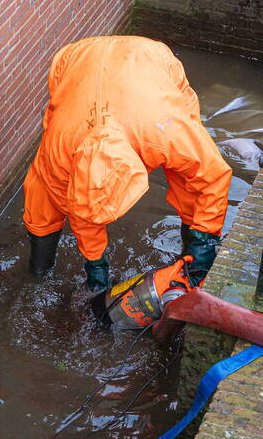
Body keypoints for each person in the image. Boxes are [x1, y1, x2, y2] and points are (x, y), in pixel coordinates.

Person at [22, 36, 232, 292]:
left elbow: (213, 175)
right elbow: (82, 210)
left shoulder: (168, 134)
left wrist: (205, 239)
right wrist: (95, 266)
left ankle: (191, 259)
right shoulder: (57, 155)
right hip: (74, 60)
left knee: (190, 181)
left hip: (149, 58)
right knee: (41, 195)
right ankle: (38, 271)